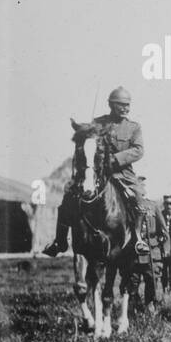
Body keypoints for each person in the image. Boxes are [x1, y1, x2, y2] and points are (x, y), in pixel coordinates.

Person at [44, 86, 144, 256]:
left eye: (128, 105)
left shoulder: (134, 127)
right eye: (121, 104)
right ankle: (59, 242)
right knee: (68, 198)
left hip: (122, 172)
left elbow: (138, 150)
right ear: (111, 105)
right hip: (95, 173)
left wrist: (115, 159)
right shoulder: (97, 123)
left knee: (139, 197)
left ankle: (138, 239)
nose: (125, 108)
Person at [127, 177, 167, 313]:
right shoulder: (129, 206)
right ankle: (134, 308)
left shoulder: (153, 205)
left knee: (152, 279)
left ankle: (150, 304)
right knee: (133, 281)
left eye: (143, 186)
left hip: (151, 249)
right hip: (135, 250)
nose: (141, 189)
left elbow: (164, 230)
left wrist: (166, 249)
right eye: (139, 186)